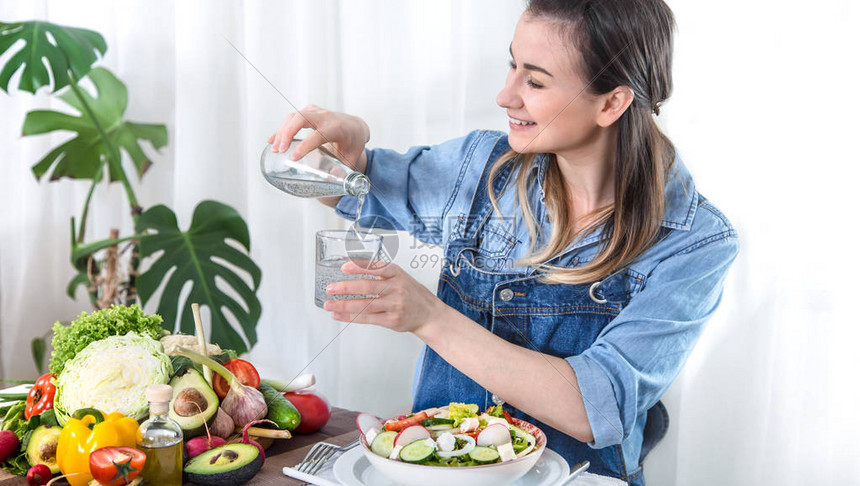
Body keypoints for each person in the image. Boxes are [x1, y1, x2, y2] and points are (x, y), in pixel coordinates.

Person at [268, 0, 738, 483]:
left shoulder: (693, 242)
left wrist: (428, 317)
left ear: (611, 103)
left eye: (534, 81)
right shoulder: (482, 168)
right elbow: (361, 193)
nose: (505, 95)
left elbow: (598, 407)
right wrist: (342, 160)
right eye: (512, 65)